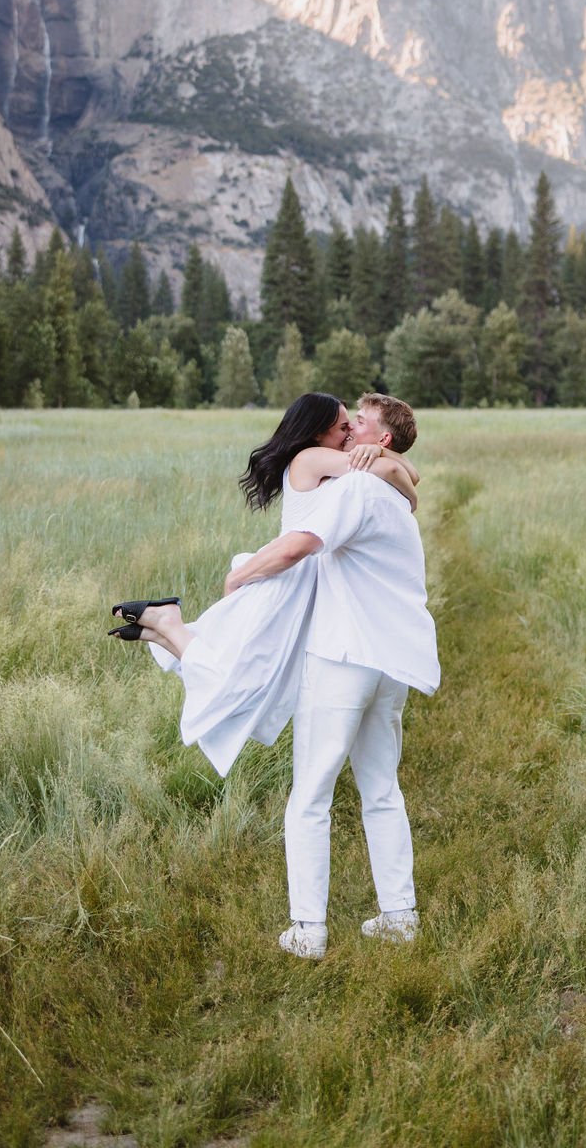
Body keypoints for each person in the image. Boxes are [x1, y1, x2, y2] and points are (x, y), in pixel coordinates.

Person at [221, 393, 439, 960]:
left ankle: (309, 930)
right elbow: (404, 483)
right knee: (382, 788)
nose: (350, 431)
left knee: (311, 794)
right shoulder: (396, 501)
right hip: (391, 665)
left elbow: (300, 544)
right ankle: (399, 916)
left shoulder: (358, 488)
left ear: (378, 440)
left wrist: (240, 575)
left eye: (358, 424)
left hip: (344, 656)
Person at [111, 393, 418, 779]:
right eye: (343, 426)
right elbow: (397, 473)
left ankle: (163, 629)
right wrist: (406, 487)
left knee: (248, 683)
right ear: (319, 432)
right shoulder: (310, 458)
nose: (348, 433)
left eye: (352, 425)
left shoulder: (330, 463)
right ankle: (168, 624)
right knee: (239, 685)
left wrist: (382, 456)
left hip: (296, 588)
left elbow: (403, 468)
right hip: (280, 584)